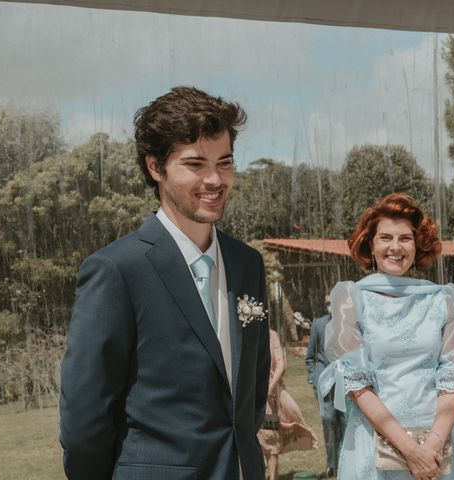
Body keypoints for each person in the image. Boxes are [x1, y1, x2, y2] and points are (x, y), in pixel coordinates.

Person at [59, 86, 271, 480]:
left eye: (224, 163)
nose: (215, 179)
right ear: (156, 167)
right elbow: (85, 419)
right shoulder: (116, 270)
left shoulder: (248, 264)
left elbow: (252, 393)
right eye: (195, 164)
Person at [317, 193, 454, 480]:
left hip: (440, 447)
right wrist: (409, 449)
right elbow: (357, 386)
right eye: (385, 238)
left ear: (418, 245)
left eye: (405, 238)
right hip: (375, 445)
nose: (395, 247)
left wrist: (432, 444)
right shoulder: (351, 299)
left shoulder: (445, 299)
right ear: (370, 244)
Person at [258, 329, 319, 480]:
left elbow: (281, 364)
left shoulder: (271, 335)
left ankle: (273, 477)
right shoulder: (241, 333)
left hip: (270, 393)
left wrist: (271, 386)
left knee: (271, 436)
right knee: (254, 439)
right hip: (250, 394)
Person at [306, 295, 343, 478]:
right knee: (329, 421)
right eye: (327, 303)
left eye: (332, 303)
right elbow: (310, 356)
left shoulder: (347, 323)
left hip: (345, 381)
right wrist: (314, 377)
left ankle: (345, 461)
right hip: (324, 384)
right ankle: (331, 464)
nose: (330, 306)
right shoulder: (318, 324)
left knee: (344, 422)